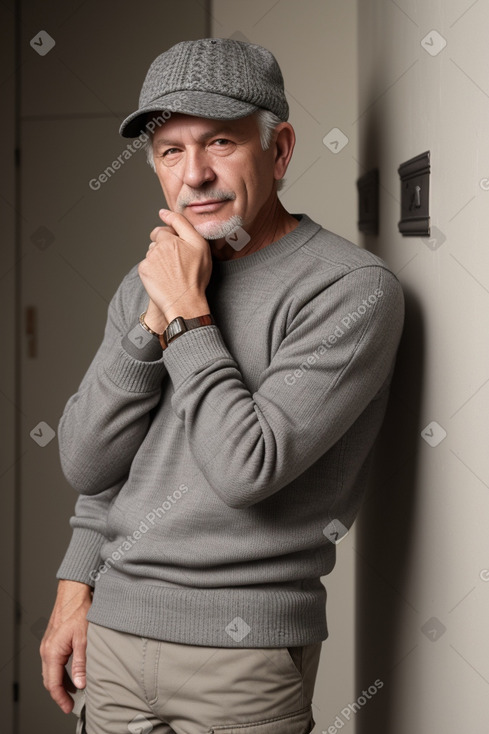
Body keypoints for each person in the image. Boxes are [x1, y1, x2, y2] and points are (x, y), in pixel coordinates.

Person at [40, 38, 404, 734]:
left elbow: (248, 469)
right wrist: (73, 586)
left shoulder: (350, 290)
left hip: (242, 655)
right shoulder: (149, 281)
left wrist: (184, 315)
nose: (194, 174)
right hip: (111, 642)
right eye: (170, 151)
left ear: (280, 149)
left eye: (220, 143)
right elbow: (90, 464)